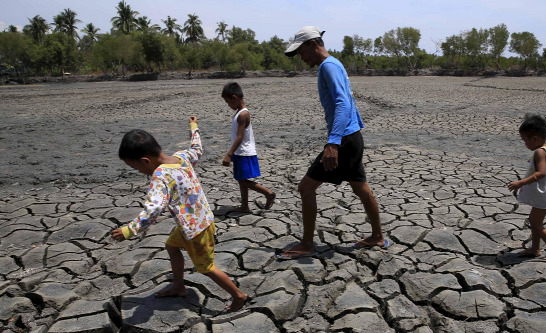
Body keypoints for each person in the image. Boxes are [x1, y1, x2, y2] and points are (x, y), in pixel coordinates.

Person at [111, 116, 248, 312]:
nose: (139, 171)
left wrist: (129, 230)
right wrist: (194, 127)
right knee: (171, 246)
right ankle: (178, 286)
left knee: (206, 267)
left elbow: (154, 209)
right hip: (199, 221)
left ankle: (238, 295)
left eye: (136, 168)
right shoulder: (181, 156)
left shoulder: (160, 176)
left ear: (145, 161)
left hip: (196, 230)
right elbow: (197, 149)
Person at [277, 26, 386, 260]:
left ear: (313, 44)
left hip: (345, 139)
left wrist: (333, 143)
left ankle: (307, 244)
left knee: (306, 187)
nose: (300, 57)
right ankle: (377, 236)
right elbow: (348, 102)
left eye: (301, 51)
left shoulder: (328, 66)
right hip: (353, 136)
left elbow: (343, 104)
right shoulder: (334, 64)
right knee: (360, 188)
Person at [508, 113, 546, 260]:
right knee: (534, 222)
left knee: (536, 223)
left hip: (542, 195)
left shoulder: (539, 152)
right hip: (544, 193)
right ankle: (535, 248)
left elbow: (541, 173)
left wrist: (521, 182)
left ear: (535, 138)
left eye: (525, 141)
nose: (525, 144)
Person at [221, 82, 276, 213]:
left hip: (244, 152)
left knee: (242, 180)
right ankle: (245, 206)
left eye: (228, 102)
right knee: (242, 179)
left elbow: (240, 137)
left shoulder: (242, 115)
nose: (228, 106)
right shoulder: (239, 112)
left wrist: (229, 154)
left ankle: (268, 193)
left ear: (234, 98)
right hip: (240, 152)